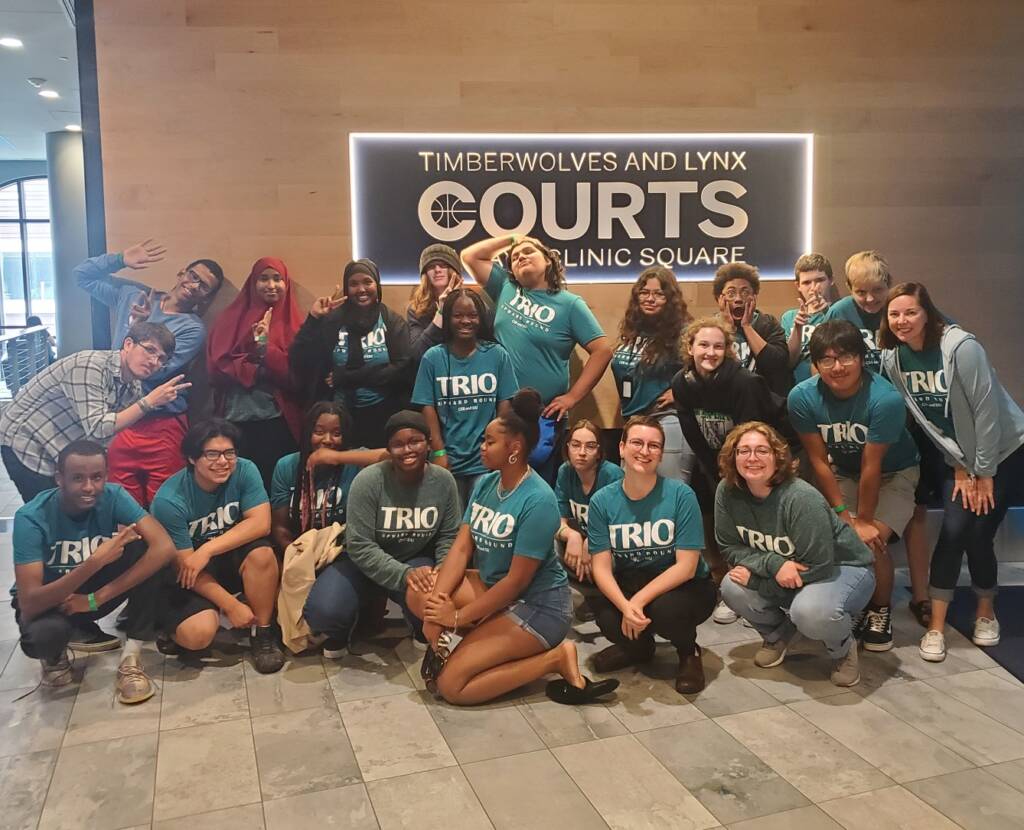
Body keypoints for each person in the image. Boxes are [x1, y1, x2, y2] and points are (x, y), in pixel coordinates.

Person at [409, 389, 619, 706]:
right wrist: (437, 609)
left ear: (514, 448)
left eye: (489, 442)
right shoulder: (486, 484)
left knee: (453, 687)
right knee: (419, 593)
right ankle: (472, 643)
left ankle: (555, 659)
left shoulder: (538, 499)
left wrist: (454, 618)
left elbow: (516, 582)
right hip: (497, 590)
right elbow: (461, 549)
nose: (481, 447)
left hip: (539, 607)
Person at [880, 282, 1024, 662]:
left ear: (927, 312)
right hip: (957, 457)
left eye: (910, 312)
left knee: (977, 534)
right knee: (956, 530)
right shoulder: (894, 359)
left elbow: (985, 411)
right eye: (894, 314)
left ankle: (985, 612)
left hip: (1003, 452)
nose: (902, 320)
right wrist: (961, 464)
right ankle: (937, 627)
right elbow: (929, 423)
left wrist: (984, 470)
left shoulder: (962, 347)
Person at [788, 321, 921, 651]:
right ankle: (856, 603)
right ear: (815, 364)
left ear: (861, 358)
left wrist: (861, 521)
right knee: (838, 536)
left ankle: (880, 609)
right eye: (827, 359)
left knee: (871, 539)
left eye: (845, 357)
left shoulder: (884, 398)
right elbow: (819, 460)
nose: (837, 367)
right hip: (844, 471)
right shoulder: (802, 397)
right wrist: (842, 513)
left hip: (896, 471)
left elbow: (872, 465)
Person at [11, 440, 176, 701]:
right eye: (77, 478)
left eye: (97, 477)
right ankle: (55, 656)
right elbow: (30, 602)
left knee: (147, 552)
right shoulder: (30, 517)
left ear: (106, 476)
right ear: (59, 479)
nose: (89, 487)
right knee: (44, 637)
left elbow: (164, 546)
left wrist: (94, 599)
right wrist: (94, 563)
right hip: (50, 601)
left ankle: (131, 657)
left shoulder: (114, 495)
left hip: (89, 595)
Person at [716, 422, 876, 687]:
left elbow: (820, 566)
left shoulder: (800, 497)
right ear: (733, 458)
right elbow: (729, 547)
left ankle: (843, 649)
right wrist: (775, 564)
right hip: (787, 569)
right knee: (731, 587)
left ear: (778, 457)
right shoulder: (727, 491)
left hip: (843, 567)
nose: (752, 458)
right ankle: (778, 635)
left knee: (810, 611)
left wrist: (759, 581)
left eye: (762, 451)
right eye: (743, 451)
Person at [75, 240, 223, 506]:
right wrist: (120, 259)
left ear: (206, 297)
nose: (193, 285)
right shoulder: (134, 295)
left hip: (161, 421)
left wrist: (137, 326)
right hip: (121, 417)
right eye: (193, 276)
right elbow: (81, 276)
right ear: (181, 274)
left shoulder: (192, 328)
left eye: (203, 286)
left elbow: (148, 371)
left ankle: (164, 547)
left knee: (165, 501)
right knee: (121, 501)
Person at [301, 411, 461, 656]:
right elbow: (360, 546)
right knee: (325, 611)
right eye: (398, 444)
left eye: (415, 441)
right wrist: (404, 574)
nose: (407, 450)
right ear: (388, 450)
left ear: (428, 444)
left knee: (436, 593)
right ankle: (341, 632)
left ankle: (420, 628)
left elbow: (449, 535)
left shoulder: (444, 481)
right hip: (360, 564)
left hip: (415, 558)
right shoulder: (368, 481)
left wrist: (442, 568)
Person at [671, 316, 797, 623]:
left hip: (767, 452)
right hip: (719, 458)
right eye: (703, 345)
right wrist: (715, 471)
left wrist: (731, 477)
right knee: (712, 514)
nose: (710, 353)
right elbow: (693, 433)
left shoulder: (745, 382)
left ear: (728, 350)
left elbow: (749, 436)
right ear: (690, 347)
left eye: (718, 346)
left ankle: (772, 587)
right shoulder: (681, 383)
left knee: (761, 516)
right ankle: (724, 580)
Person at [461, 234, 612, 482]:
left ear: (548, 261)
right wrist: (512, 238)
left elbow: (602, 350)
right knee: (499, 484)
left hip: (543, 416)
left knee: (537, 486)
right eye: (515, 257)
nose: (520, 257)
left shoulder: (569, 304)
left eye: (529, 252)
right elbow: (470, 257)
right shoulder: (505, 288)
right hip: (501, 410)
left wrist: (572, 397)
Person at [587, 416, 717, 694]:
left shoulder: (681, 495)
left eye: (653, 446)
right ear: (621, 448)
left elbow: (687, 566)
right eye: (637, 442)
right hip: (632, 579)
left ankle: (688, 652)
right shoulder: (602, 501)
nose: (645, 451)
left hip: (684, 585)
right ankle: (638, 648)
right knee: (606, 614)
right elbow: (600, 567)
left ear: (660, 453)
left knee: (666, 610)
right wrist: (625, 606)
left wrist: (637, 601)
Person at [150, 419, 285, 674]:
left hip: (221, 557)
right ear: (192, 458)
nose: (223, 462)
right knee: (198, 636)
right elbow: (186, 567)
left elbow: (261, 523)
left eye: (229, 453)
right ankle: (171, 626)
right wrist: (230, 606)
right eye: (212, 454)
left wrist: (208, 549)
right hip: (188, 574)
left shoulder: (245, 470)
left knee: (263, 553)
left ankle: (263, 633)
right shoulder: (169, 500)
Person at [0, 321, 188, 503]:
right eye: (149, 350)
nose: (154, 361)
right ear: (128, 344)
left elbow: (107, 435)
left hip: (58, 445)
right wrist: (149, 402)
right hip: (25, 442)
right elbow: (98, 427)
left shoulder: (133, 386)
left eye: (162, 358)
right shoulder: (90, 365)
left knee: (72, 512)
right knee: (47, 516)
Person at [412, 288, 518, 508]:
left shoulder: (498, 355)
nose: (465, 321)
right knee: (453, 527)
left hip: (485, 460)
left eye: (472, 315)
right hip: (448, 459)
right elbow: (427, 406)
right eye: (458, 315)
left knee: (482, 522)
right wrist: (439, 450)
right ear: (448, 319)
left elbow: (505, 405)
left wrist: (496, 447)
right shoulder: (433, 357)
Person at [290, 259, 412, 448]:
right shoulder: (333, 321)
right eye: (353, 284)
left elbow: (402, 368)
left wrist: (346, 377)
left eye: (367, 282)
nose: (361, 289)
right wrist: (314, 319)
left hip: (383, 413)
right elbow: (299, 359)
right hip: (339, 418)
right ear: (347, 288)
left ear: (377, 285)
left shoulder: (391, 321)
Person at [207, 256, 304, 491]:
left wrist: (264, 348)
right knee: (235, 488)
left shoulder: (295, 323)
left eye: (277, 279)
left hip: (277, 423)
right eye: (264, 278)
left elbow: (298, 376)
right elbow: (215, 368)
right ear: (253, 282)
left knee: (275, 486)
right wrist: (258, 367)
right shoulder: (230, 319)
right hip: (233, 421)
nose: (271, 285)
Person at [611, 266, 695, 482]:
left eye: (659, 294)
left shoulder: (682, 332)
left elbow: (709, 368)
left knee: (670, 492)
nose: (650, 299)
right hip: (634, 422)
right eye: (645, 292)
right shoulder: (632, 331)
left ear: (670, 299)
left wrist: (681, 392)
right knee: (632, 490)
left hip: (666, 419)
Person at [269, 402, 386, 554]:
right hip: (298, 550)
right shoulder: (287, 466)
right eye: (319, 432)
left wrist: (338, 457)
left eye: (337, 434)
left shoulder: (354, 461)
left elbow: (394, 456)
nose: (327, 440)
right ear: (307, 432)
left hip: (342, 551)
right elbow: (280, 527)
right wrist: (296, 554)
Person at [554, 419, 624, 619]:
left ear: (600, 452)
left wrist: (592, 542)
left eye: (590, 446)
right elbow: (557, 519)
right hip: (584, 539)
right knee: (546, 542)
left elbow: (621, 526)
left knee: (604, 557)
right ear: (567, 448)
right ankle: (577, 599)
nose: (582, 452)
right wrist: (573, 536)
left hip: (612, 545)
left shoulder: (612, 475)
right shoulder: (565, 471)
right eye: (575, 445)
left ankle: (609, 597)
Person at [713, 262, 791, 396]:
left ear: (754, 297)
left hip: (762, 399)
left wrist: (747, 326)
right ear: (720, 298)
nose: (738, 299)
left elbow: (777, 364)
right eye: (731, 293)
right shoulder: (709, 328)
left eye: (745, 292)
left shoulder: (768, 324)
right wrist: (727, 329)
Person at [823, 250, 890, 372]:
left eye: (877, 290)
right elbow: (822, 358)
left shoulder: (898, 309)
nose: (870, 299)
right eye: (861, 292)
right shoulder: (838, 313)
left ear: (888, 284)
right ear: (849, 288)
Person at [780, 253, 835, 383]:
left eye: (820, 280)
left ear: (831, 280)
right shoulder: (789, 317)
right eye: (806, 283)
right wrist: (798, 328)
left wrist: (827, 313)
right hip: (799, 388)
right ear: (798, 286)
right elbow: (789, 362)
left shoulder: (840, 310)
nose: (813, 288)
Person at [406, 243, 467, 359]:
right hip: (432, 370)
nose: (437, 270)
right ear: (425, 274)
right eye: (431, 266)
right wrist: (440, 313)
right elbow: (417, 353)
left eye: (443, 265)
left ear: (454, 270)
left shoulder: (471, 303)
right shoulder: (415, 309)